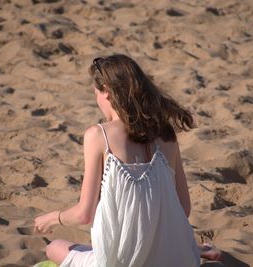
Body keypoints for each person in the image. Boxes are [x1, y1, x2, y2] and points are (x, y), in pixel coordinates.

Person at [34, 54, 222, 266]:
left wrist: (53, 218)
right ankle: (196, 249)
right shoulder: (166, 134)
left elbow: (84, 214)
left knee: (54, 247)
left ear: (106, 90)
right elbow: (183, 209)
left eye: (95, 93)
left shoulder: (99, 135)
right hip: (176, 259)